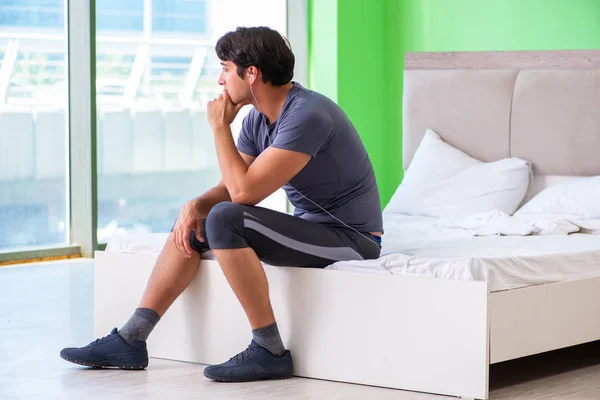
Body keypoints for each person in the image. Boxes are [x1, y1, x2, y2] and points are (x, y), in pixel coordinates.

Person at [60, 26, 383, 382]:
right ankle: (131, 338)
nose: (220, 80)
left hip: (352, 239)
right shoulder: (257, 120)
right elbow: (229, 188)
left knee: (226, 218)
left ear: (251, 73)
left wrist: (218, 129)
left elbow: (243, 195)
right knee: (201, 216)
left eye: (225, 68)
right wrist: (194, 206)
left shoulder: (307, 115)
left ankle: (270, 349)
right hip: (314, 229)